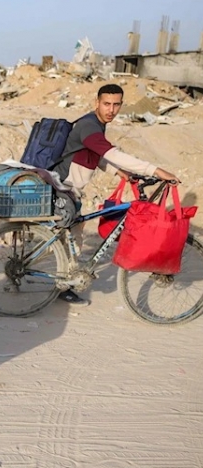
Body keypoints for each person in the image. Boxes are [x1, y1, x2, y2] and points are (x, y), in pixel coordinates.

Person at [54, 83, 180, 306]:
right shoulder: (89, 126)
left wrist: (120, 173)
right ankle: (62, 286)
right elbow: (112, 153)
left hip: (70, 188)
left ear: (121, 105)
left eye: (116, 104)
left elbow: (96, 155)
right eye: (106, 104)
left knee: (74, 236)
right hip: (64, 187)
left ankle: (64, 283)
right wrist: (155, 170)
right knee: (70, 238)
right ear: (96, 103)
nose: (111, 109)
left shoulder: (96, 125)